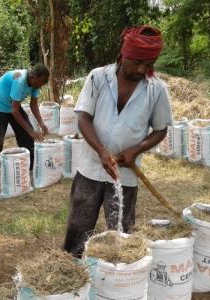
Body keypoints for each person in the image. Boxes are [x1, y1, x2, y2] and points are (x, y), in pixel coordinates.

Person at [63, 25, 172, 258]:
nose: (142, 69)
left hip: (126, 175)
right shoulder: (98, 77)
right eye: (136, 62)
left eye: (148, 64)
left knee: (123, 235)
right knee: (78, 230)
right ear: (123, 54)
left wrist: (135, 150)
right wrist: (102, 152)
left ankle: (119, 280)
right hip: (90, 168)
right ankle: (72, 272)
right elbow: (83, 119)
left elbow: (160, 130)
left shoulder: (157, 90)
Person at [0, 63, 50, 170]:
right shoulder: (19, 81)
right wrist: (32, 131)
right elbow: (15, 111)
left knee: (27, 135)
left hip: (12, 106)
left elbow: (33, 104)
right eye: (40, 83)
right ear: (32, 77)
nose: (40, 86)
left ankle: (30, 166)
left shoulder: (35, 83)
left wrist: (41, 123)